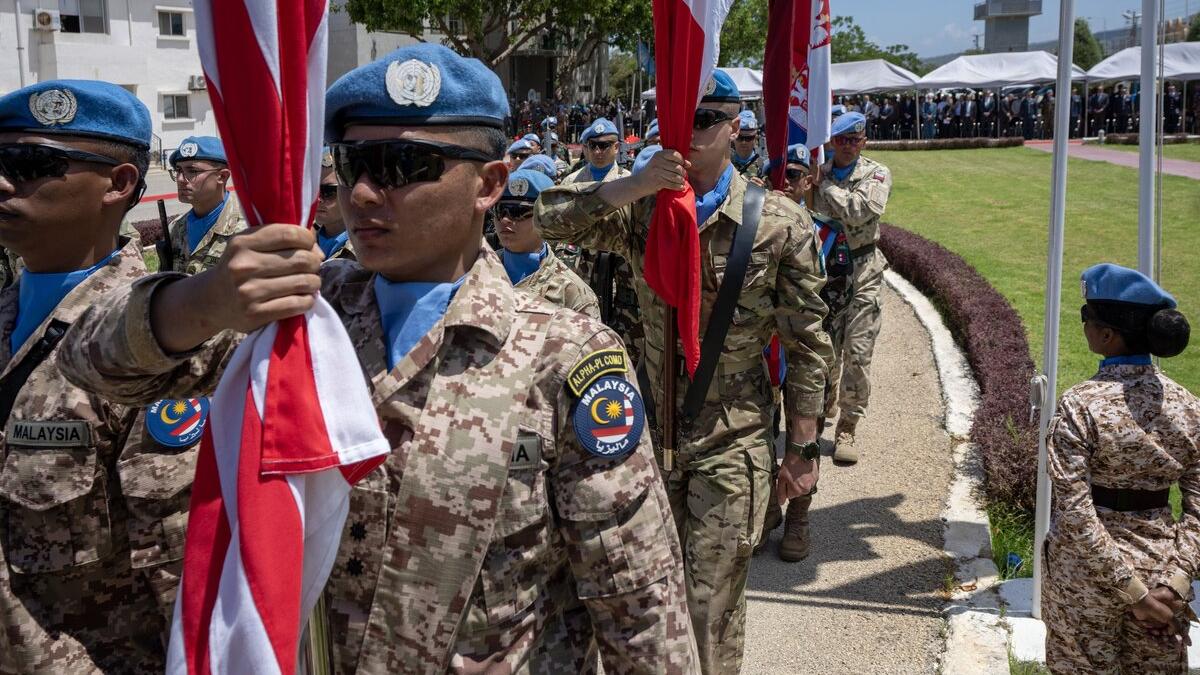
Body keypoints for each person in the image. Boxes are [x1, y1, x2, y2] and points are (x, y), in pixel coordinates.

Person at [57, 44, 699, 673]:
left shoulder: (563, 354)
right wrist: (204, 302)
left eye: (400, 165)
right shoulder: (297, 318)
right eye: (352, 162)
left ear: (489, 184)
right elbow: (92, 363)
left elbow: (638, 600)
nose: (362, 193)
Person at [536, 69, 833, 673]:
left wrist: (803, 447)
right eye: (677, 120)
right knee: (646, 601)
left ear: (733, 126)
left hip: (733, 438)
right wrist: (633, 183)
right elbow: (547, 217)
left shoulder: (776, 221)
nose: (689, 133)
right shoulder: (645, 210)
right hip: (647, 437)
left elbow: (808, 345)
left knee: (707, 604)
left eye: (702, 121)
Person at [0, 79, 197, 672]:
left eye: (30, 164)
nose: (3, 183)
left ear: (119, 185)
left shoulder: (159, 350)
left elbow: (174, 574)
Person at [1043, 263, 1198, 674]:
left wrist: (1131, 591)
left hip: (1087, 579)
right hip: (1161, 571)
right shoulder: (1188, 407)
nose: (1085, 326)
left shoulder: (1080, 405)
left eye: (1086, 318)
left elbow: (1075, 512)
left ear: (1107, 335)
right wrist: (1174, 585)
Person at [810, 111, 891, 464]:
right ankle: (819, 412)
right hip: (826, 272)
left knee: (857, 354)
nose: (847, 147)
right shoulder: (816, 169)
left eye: (854, 141)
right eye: (841, 140)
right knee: (825, 351)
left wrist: (823, 186)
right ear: (831, 141)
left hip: (864, 272)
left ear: (864, 142)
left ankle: (848, 426)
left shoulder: (875, 173)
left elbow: (860, 211)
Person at [496, 169, 599, 319]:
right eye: (499, 211)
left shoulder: (572, 294)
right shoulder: (474, 272)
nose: (505, 220)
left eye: (518, 212)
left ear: (545, 218)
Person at [161, 135, 247, 274]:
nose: (180, 179)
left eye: (192, 171)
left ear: (222, 176)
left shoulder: (246, 229)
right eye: (178, 170)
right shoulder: (175, 228)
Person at [315, 147, 354, 261]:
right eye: (313, 191)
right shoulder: (305, 241)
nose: (318, 199)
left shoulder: (368, 248)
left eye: (328, 192)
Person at [731, 111, 764, 177]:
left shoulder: (763, 166)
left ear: (755, 138)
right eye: (740, 137)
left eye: (748, 138)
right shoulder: (724, 165)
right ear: (733, 137)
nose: (744, 142)